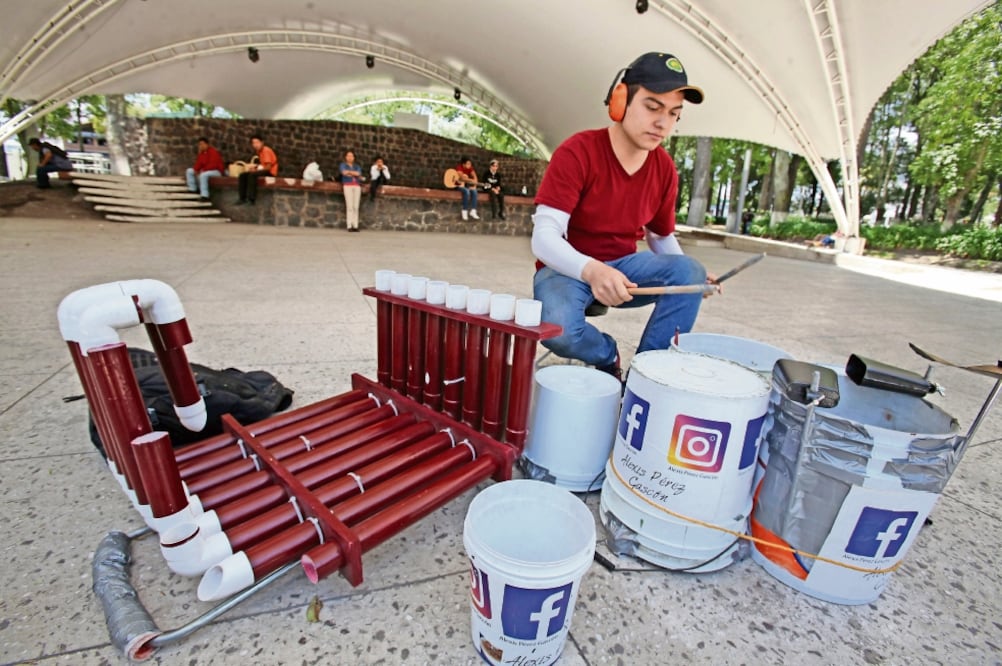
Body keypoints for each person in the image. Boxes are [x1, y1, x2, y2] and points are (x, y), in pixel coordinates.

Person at [531, 51, 716, 381]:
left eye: (674, 113)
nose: (663, 123)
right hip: (567, 267)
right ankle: (606, 353)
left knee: (690, 272)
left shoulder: (664, 170)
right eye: (652, 106)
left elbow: (659, 235)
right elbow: (544, 237)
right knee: (558, 330)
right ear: (621, 100)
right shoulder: (578, 151)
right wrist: (591, 270)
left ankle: (646, 379)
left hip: (624, 269)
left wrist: (694, 281)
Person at [236, 134, 278, 205]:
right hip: (264, 170)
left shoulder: (266, 150)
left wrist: (256, 170)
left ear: (262, 143)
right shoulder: (259, 152)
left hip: (270, 172)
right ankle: (242, 198)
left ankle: (251, 199)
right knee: (243, 175)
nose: (255, 145)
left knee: (252, 175)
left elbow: (268, 167)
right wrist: (255, 168)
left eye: (257, 143)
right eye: (253, 143)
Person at [339, 150, 364, 232]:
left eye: (351, 156)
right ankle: (349, 225)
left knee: (355, 206)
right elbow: (344, 172)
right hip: (347, 185)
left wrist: (350, 173)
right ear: (346, 157)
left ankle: (355, 225)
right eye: (348, 156)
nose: (350, 158)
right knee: (349, 206)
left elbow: (358, 173)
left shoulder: (357, 166)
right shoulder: (343, 165)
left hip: (356, 185)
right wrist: (353, 173)